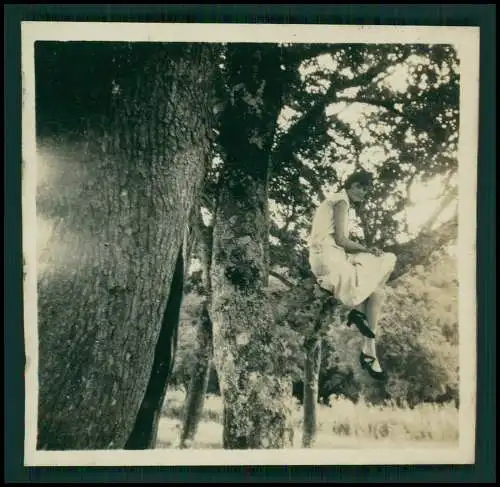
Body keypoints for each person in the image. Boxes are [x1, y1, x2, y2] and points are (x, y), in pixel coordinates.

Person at [308, 169, 397, 381]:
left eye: (366, 190)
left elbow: (339, 242)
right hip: (329, 259)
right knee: (387, 259)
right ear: (350, 185)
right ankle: (359, 317)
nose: (363, 192)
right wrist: (368, 249)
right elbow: (341, 240)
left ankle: (369, 351)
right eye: (360, 187)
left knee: (377, 293)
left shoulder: (337, 201)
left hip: (327, 259)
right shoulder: (341, 202)